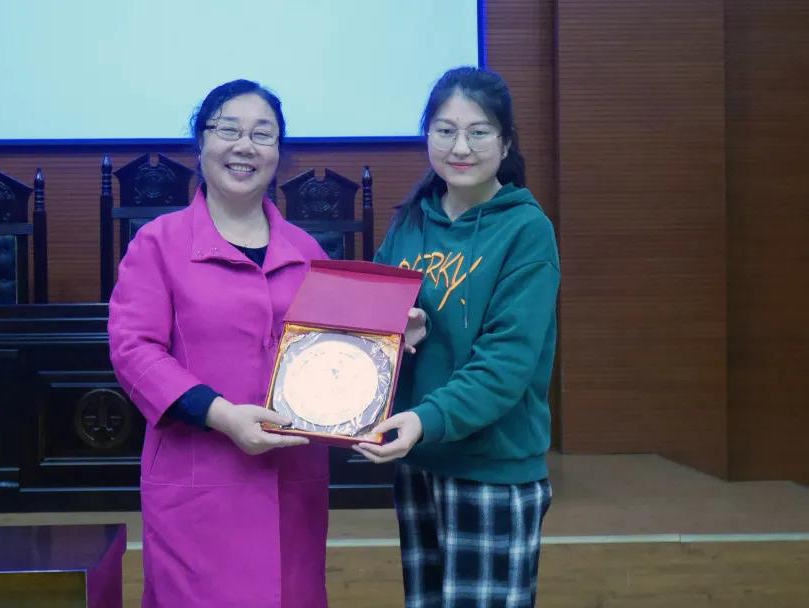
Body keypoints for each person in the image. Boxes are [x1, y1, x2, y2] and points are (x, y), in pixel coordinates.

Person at [108, 79, 330, 608]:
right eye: (228, 129)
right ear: (201, 142)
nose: (244, 146)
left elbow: (336, 354)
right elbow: (134, 351)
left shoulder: (307, 251)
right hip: (198, 484)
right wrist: (223, 416)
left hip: (291, 485)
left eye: (262, 134)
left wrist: (392, 331)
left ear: (279, 152)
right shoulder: (158, 243)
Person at [354, 66, 560, 608]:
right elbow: (374, 318)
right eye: (445, 130)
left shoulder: (526, 230)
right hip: (421, 459)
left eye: (478, 132)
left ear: (506, 142)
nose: (460, 147)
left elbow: (505, 364)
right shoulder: (410, 221)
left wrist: (423, 420)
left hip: (491, 466)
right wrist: (398, 323)